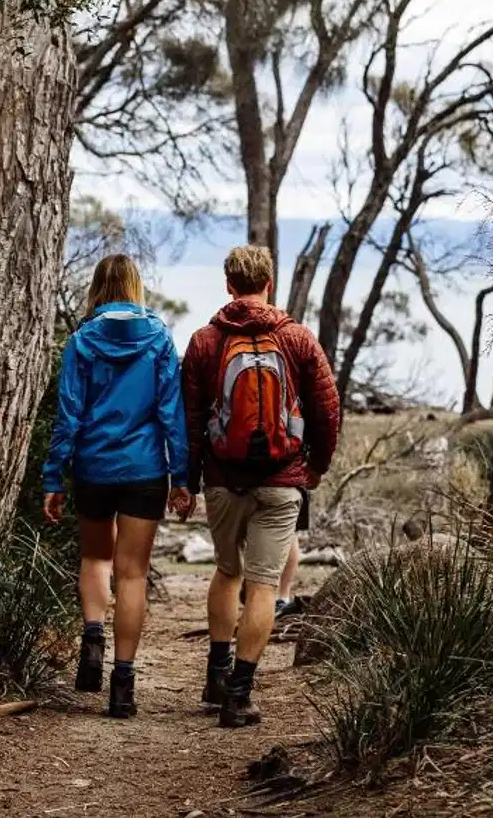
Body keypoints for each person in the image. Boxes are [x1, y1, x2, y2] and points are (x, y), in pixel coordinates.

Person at [182, 245, 340, 728]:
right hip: (281, 480)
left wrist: (187, 482)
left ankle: (215, 674)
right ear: (269, 284)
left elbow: (188, 419)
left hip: (224, 480)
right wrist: (317, 466)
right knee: (264, 585)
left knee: (228, 572)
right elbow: (327, 410)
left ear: (229, 285)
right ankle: (239, 695)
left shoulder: (206, 341)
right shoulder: (297, 339)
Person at [42, 254, 193, 719]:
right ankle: (122, 685)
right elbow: (172, 413)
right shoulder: (159, 341)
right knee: (132, 574)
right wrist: (182, 476)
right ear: (135, 287)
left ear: (97, 288)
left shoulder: (83, 342)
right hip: (146, 470)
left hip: (94, 467)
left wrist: (54, 475)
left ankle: (92, 639)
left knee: (95, 557)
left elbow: (69, 414)